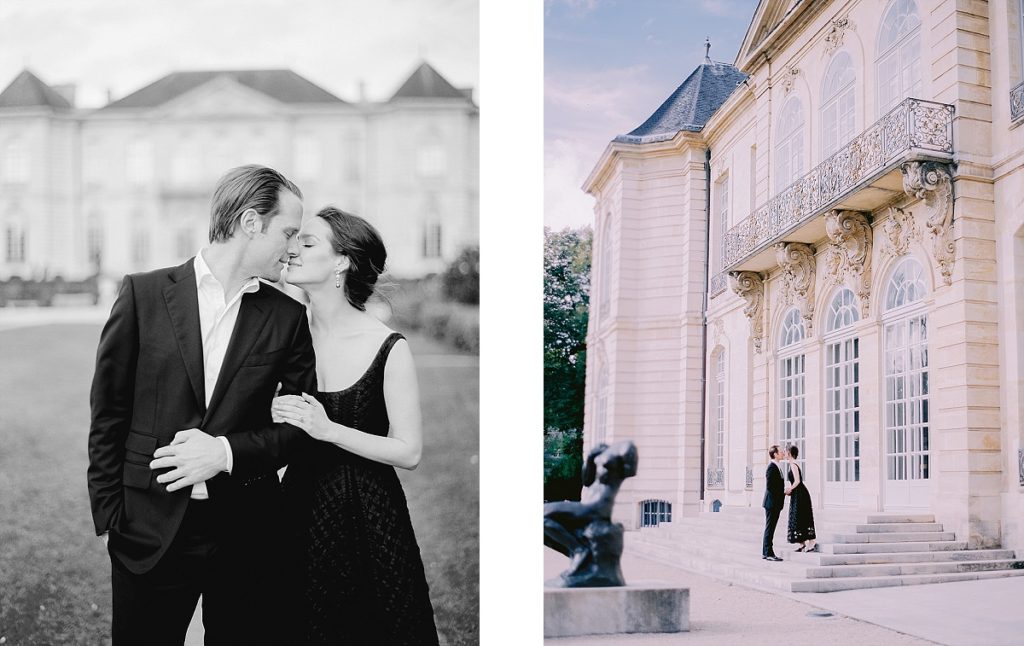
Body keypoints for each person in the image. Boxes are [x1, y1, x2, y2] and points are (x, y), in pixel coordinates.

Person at [87, 165, 316, 645]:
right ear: (251, 223)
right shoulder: (143, 294)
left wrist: (225, 453)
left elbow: (298, 429)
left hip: (247, 533)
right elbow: (108, 413)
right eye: (288, 232)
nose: (294, 248)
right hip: (147, 528)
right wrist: (111, 516)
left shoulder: (288, 317)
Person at [270, 206, 438, 645]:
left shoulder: (387, 347)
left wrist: (329, 430)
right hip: (297, 507)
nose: (292, 250)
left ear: (342, 262)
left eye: (307, 244)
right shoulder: (285, 336)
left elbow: (409, 451)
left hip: (367, 516)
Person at [784, 445, 817, 552]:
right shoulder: (791, 464)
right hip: (797, 493)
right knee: (797, 517)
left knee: (802, 516)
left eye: (785, 451)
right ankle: (802, 543)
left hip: (800, 494)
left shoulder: (793, 464)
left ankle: (812, 541)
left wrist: (790, 489)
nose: (784, 453)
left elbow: (797, 481)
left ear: (789, 453)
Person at [762, 444, 785, 561]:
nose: (783, 453)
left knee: (770, 528)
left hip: (774, 502)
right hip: (772, 503)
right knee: (770, 528)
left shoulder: (777, 466)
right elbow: (770, 487)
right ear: (775, 454)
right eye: (781, 451)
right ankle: (768, 553)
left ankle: (766, 552)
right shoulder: (772, 467)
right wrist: (783, 492)